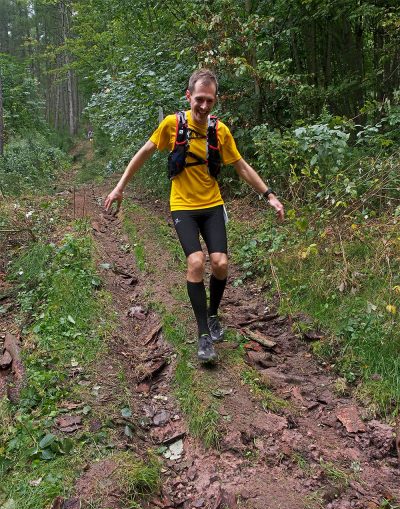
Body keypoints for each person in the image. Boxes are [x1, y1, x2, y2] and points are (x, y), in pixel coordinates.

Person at [105, 69, 284, 363]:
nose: (203, 106)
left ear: (215, 100)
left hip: (212, 205)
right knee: (196, 261)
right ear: (188, 96)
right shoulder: (171, 125)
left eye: (209, 101)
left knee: (221, 263)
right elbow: (145, 152)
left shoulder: (220, 131)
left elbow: (241, 166)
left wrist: (269, 195)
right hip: (182, 206)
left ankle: (213, 315)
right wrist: (120, 187)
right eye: (199, 99)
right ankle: (203, 335)